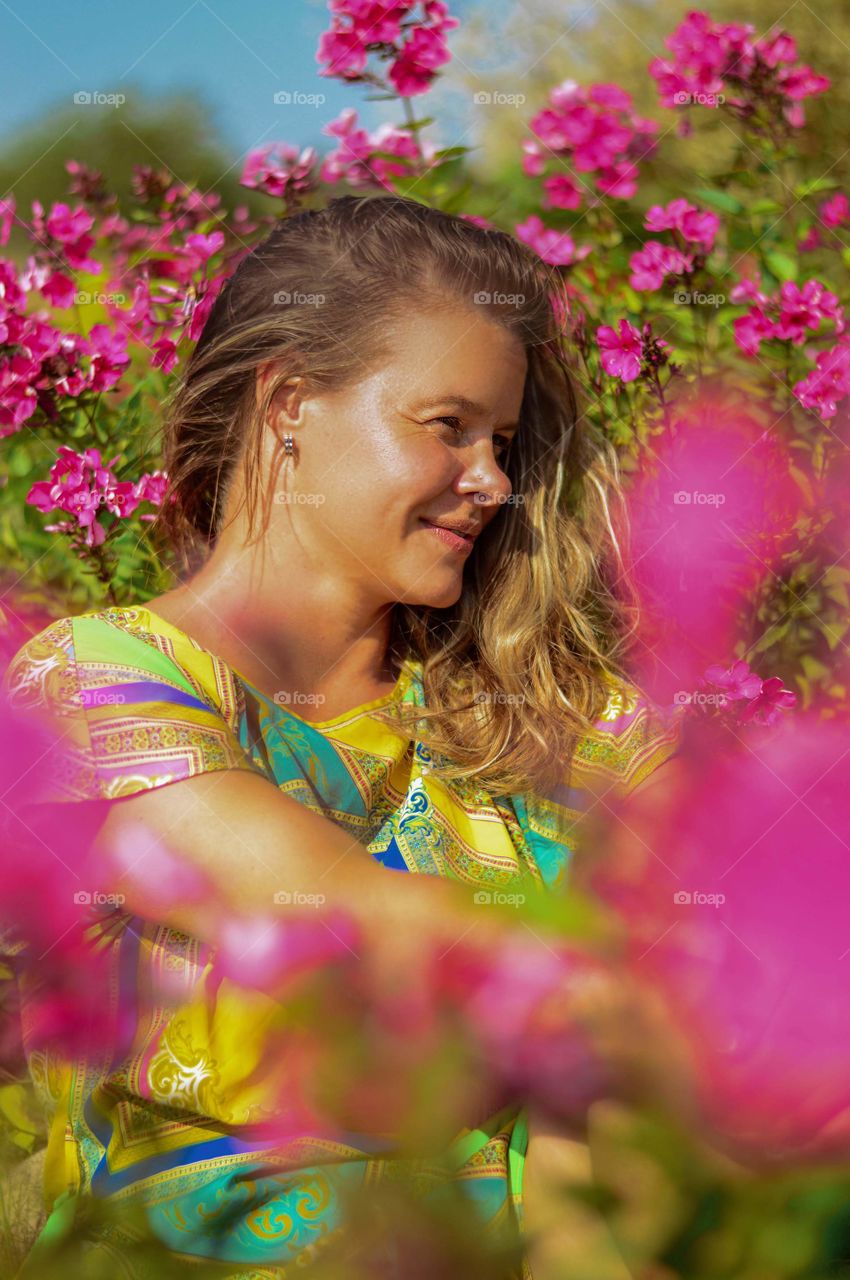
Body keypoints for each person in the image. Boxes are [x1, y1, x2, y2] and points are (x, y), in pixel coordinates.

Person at [2, 194, 683, 1277]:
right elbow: (349, 918)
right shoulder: (94, 681)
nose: (493, 481)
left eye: (504, 443)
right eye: (448, 425)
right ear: (289, 403)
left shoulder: (549, 711)